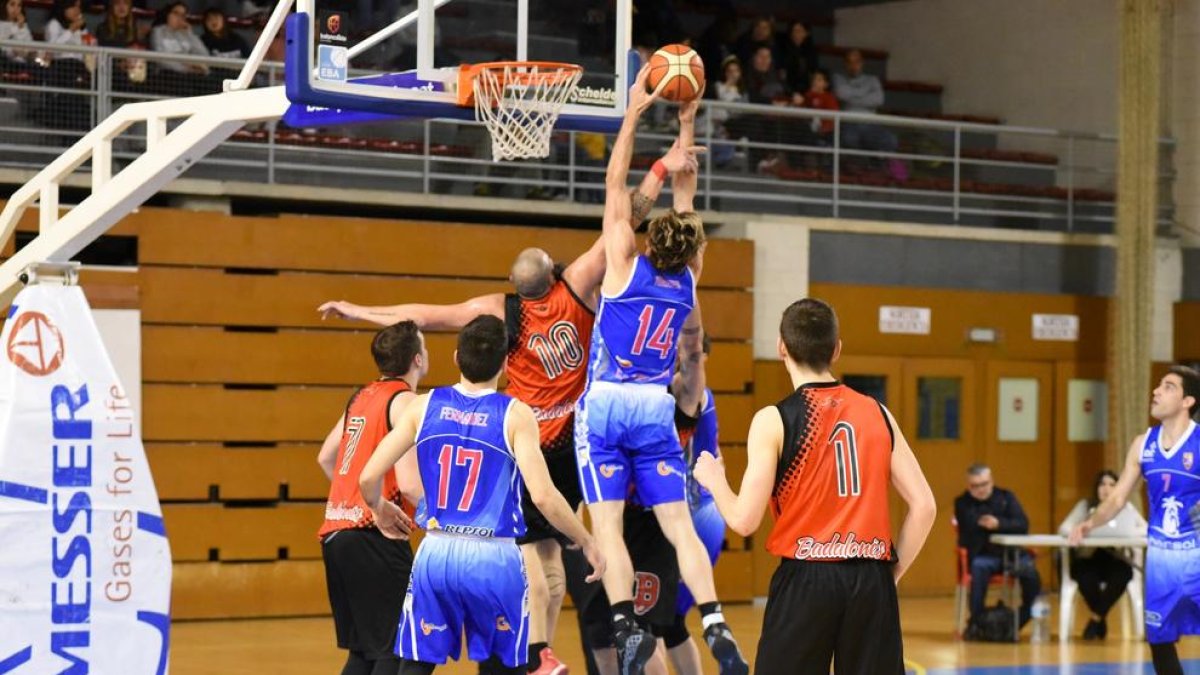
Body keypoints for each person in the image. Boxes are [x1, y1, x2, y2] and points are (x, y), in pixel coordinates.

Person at [317, 140, 697, 675]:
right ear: (553, 271)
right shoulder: (579, 283)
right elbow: (625, 215)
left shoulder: (498, 311)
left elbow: (423, 313)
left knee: (529, 560)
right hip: (567, 442)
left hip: (520, 447)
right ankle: (555, 643)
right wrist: (661, 169)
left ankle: (538, 649)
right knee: (559, 561)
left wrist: (359, 310)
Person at [576, 63, 746, 675]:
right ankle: (717, 620)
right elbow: (685, 207)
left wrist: (635, 113)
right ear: (690, 249)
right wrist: (688, 120)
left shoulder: (623, 261)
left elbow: (615, 181)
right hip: (653, 405)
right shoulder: (687, 287)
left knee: (611, 525)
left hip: (605, 405)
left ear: (651, 241)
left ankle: (624, 625)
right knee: (678, 526)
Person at [694, 298, 936, 675]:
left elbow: (744, 521)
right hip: (871, 577)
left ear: (781, 349)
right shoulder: (878, 413)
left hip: (806, 578)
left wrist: (714, 480)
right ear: (837, 349)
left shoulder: (773, 420)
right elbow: (924, 506)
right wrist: (889, 575)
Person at [358, 315, 606, 675]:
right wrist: (585, 540)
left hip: (436, 551)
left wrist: (379, 507)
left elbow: (369, 476)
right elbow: (543, 496)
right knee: (502, 666)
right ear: (506, 364)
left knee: (415, 665)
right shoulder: (516, 414)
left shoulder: (423, 406)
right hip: (493, 557)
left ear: (457, 357)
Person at [1070, 365, 1200, 675]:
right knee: (1159, 638)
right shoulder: (1144, 444)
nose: (1156, 391)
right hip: (1161, 559)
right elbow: (1117, 498)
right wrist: (1090, 522)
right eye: (1158, 385)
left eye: (1168, 387)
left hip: (1196, 555)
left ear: (1187, 401)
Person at [316, 321, 428, 675]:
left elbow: (326, 457)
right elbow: (410, 485)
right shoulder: (406, 401)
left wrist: (354, 499)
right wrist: (449, 523)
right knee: (394, 649)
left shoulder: (362, 396)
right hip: (373, 536)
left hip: (336, 533)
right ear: (418, 359)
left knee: (364, 652)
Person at [1057, 469, 1146, 640]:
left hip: (1115, 557)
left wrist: (1130, 533)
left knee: (1123, 574)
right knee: (1084, 576)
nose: (1106, 489)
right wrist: (1080, 529)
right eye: (1102, 484)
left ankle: (1095, 619)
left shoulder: (1126, 508)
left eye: (1112, 485)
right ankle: (1099, 619)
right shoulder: (1085, 506)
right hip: (1089, 557)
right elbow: (1064, 528)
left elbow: (1145, 528)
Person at [955, 463, 1042, 629]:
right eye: (975, 486)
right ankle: (977, 622)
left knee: (1031, 575)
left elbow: (1022, 524)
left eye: (984, 484)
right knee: (979, 568)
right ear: (969, 486)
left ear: (991, 481)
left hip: (1012, 555)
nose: (981, 489)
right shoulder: (962, 502)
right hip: (983, 555)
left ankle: (1018, 622)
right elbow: (968, 525)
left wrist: (999, 523)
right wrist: (984, 524)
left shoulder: (1006, 497)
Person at [832, 49, 902, 178]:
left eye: (857, 62)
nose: (854, 66)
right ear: (845, 64)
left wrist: (852, 98)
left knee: (891, 140)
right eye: (850, 62)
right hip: (849, 123)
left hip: (871, 125)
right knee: (849, 139)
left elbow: (878, 100)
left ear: (862, 63)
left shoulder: (872, 80)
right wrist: (865, 95)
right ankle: (869, 167)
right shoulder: (839, 78)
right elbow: (842, 93)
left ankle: (891, 171)